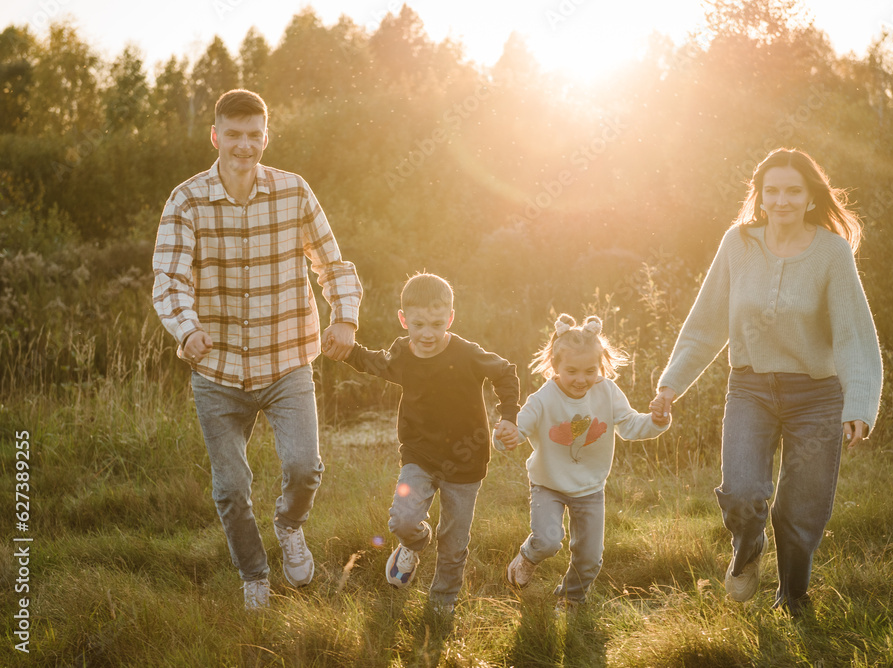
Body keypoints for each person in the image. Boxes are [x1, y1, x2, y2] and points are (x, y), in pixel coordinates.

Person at [152, 89, 362, 610]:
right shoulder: (187, 200)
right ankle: (254, 576)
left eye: (254, 135)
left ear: (265, 137)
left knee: (304, 466)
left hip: (288, 358)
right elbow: (169, 279)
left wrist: (346, 317)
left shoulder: (295, 192)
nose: (244, 145)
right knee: (230, 486)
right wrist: (187, 328)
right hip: (216, 369)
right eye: (234, 134)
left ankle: (289, 526)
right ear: (215, 135)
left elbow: (332, 263)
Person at [649, 148, 882, 615]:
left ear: (811, 196)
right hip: (750, 389)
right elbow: (706, 323)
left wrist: (859, 404)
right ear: (759, 195)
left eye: (793, 190)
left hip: (816, 396)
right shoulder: (738, 244)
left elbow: (853, 333)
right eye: (771, 190)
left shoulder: (831, 253)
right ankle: (749, 545)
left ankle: (793, 597)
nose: (782, 200)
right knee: (741, 492)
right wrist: (670, 384)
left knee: (800, 511)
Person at [341, 272, 520, 615]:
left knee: (453, 542)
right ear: (403, 319)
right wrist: (347, 350)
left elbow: (505, 372)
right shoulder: (402, 355)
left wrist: (508, 416)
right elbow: (373, 362)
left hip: (466, 460)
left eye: (437, 324)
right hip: (419, 455)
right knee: (403, 520)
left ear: (450, 318)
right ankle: (414, 543)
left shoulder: (467, 353)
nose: (427, 333)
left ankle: (442, 602)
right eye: (419, 323)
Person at [501, 314, 670, 609]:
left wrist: (656, 420)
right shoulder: (542, 398)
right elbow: (519, 427)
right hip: (548, 484)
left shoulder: (607, 391)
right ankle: (529, 555)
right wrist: (507, 434)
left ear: (600, 365)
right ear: (555, 366)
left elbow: (630, 425)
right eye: (572, 371)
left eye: (590, 371)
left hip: (590, 488)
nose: (581, 379)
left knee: (590, 556)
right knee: (549, 541)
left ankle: (572, 597)